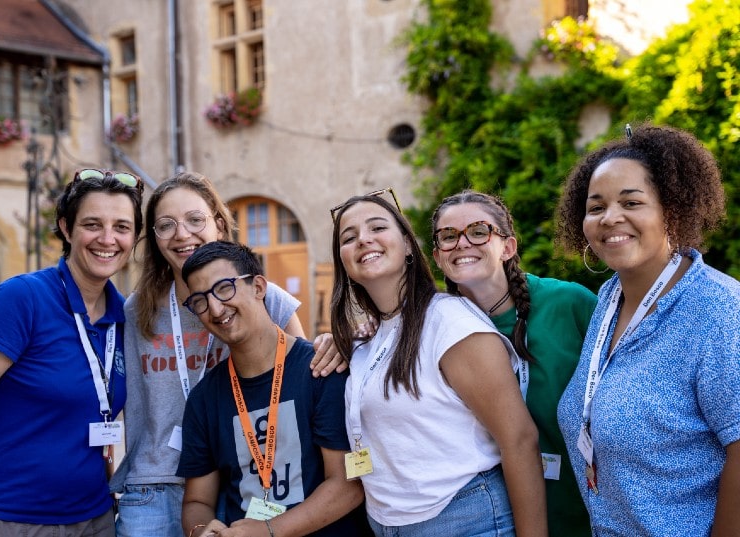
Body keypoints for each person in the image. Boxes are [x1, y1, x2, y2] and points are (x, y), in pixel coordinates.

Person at [110, 172, 343, 537]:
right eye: (165, 225)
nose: (181, 233)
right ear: (154, 238)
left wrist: (333, 345)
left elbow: (301, 374)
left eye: (194, 219)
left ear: (219, 223)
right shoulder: (136, 309)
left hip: (239, 480)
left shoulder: (265, 294)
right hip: (154, 483)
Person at [555, 124, 740, 536]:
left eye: (631, 202)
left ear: (672, 209)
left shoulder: (720, 310)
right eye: (596, 206)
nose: (611, 218)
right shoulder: (608, 299)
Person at [330, 189, 548, 537]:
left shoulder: (450, 321)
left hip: (466, 521)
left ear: (407, 245)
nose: (364, 240)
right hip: (387, 525)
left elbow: (519, 440)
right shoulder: (366, 341)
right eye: (349, 237)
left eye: (376, 228)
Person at [0, 169, 144, 536]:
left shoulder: (123, 316)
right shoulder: (21, 300)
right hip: (10, 517)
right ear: (66, 228)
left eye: (122, 227)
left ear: (135, 238)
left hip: (94, 518)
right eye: (93, 224)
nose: (108, 239)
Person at [431, 190, 597, 537]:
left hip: (589, 506)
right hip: (496, 520)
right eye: (449, 236)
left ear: (507, 247)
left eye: (478, 231)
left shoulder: (569, 303)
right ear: (437, 256)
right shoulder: (436, 329)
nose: (462, 243)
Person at [177, 240, 364, 537]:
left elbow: (349, 485)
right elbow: (197, 500)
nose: (214, 307)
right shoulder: (204, 400)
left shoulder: (321, 370)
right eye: (199, 300)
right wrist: (201, 530)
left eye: (224, 287)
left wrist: (268, 530)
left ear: (259, 287)